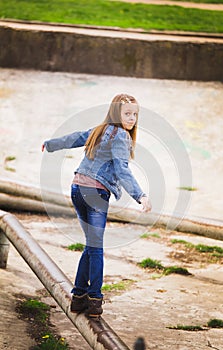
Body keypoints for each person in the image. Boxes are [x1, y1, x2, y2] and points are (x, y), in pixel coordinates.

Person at [42, 93, 152, 317]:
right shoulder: (121, 136)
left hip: (77, 189)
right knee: (96, 248)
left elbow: (74, 138)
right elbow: (122, 170)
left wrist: (50, 144)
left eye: (135, 115)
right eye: (127, 114)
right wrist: (140, 195)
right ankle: (95, 300)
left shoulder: (99, 130)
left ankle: (79, 297)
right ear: (116, 113)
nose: (132, 119)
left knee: (91, 246)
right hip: (94, 195)